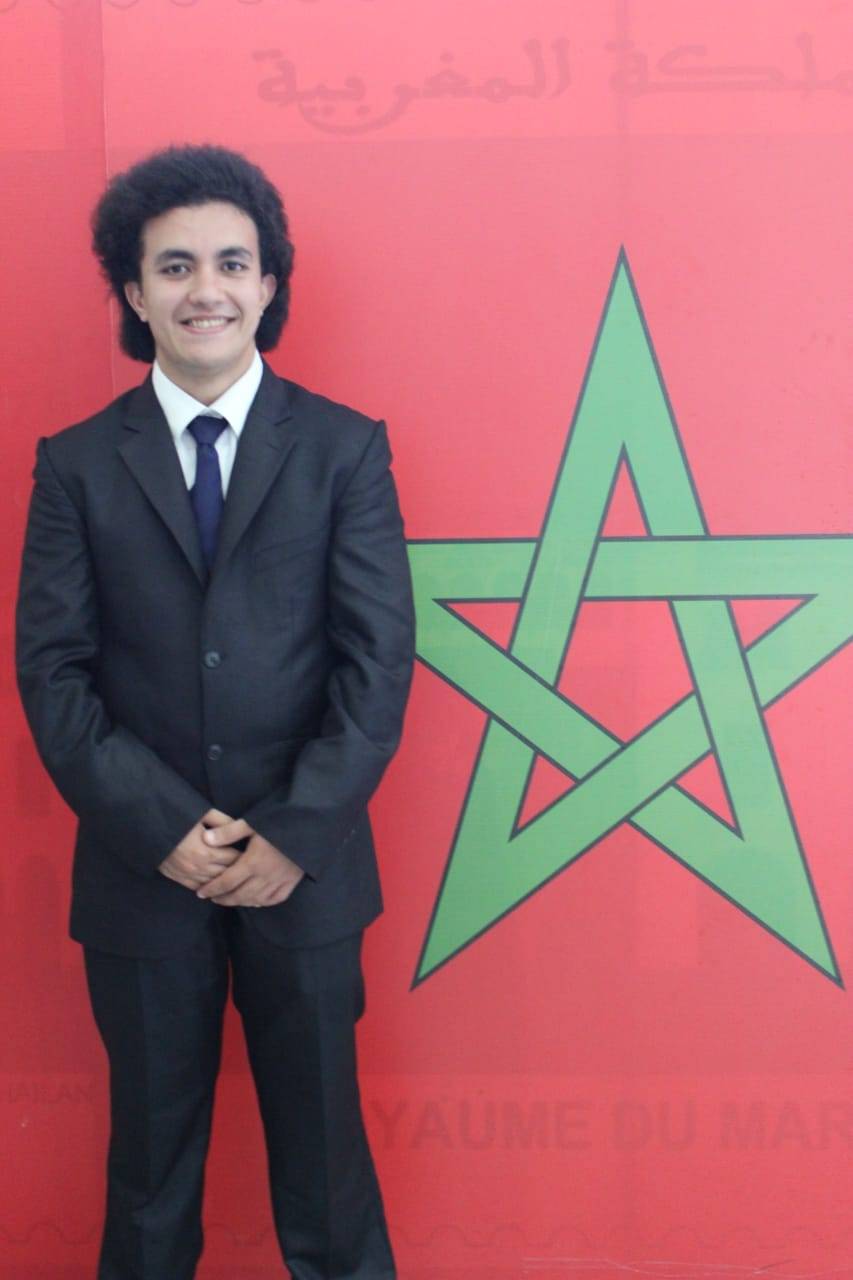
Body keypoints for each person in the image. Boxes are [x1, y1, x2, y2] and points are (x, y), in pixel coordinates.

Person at [15, 143, 415, 1280]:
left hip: (308, 872)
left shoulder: (343, 449)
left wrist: (292, 833)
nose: (207, 289)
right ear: (135, 293)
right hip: (143, 875)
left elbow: (377, 660)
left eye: (232, 263)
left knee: (328, 1177)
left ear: (269, 283)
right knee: (149, 1182)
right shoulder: (77, 466)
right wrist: (164, 832)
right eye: (175, 265)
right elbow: (52, 671)